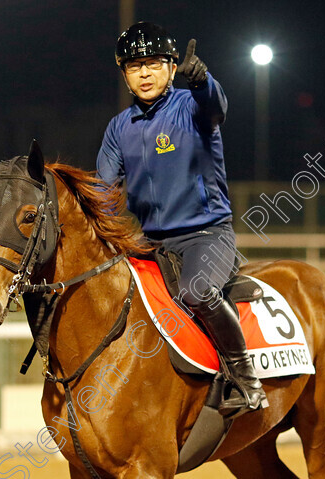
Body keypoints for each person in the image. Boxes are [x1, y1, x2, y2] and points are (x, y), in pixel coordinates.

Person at [97, 22, 267, 416]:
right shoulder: (118, 128)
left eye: (154, 63)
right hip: (151, 243)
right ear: (124, 74)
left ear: (172, 69)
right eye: (134, 66)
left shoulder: (192, 105)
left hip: (206, 236)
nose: (144, 73)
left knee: (195, 291)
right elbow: (103, 193)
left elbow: (216, 105)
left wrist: (203, 80)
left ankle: (246, 378)